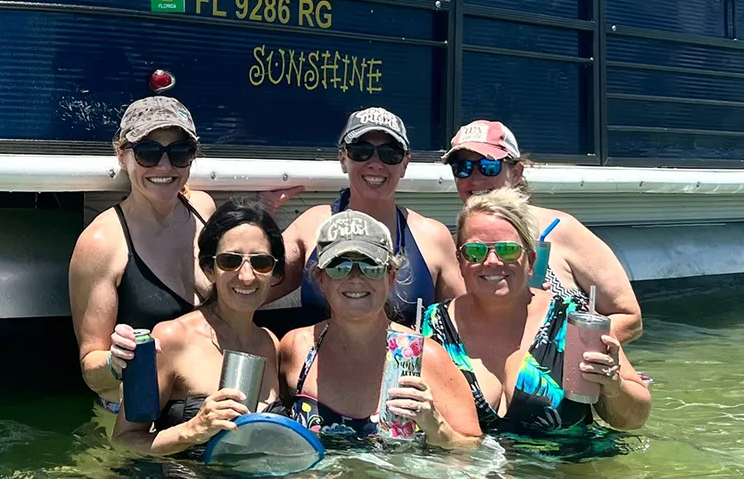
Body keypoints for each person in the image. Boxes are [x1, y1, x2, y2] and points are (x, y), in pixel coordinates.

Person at [421, 188, 652, 435]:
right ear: (460, 261)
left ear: (531, 260)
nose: (491, 261)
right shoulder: (433, 326)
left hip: (567, 468)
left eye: (508, 250)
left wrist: (613, 386)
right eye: (475, 251)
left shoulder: (572, 322)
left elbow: (634, 419)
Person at [68, 94, 217, 432]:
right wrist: (115, 360)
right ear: (122, 155)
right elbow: (92, 370)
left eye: (179, 153)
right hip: (134, 423)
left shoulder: (204, 212)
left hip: (204, 414)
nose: (164, 167)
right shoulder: (101, 244)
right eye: (148, 153)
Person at [278, 210, 483, 449]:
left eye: (371, 266)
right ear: (321, 278)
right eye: (339, 266)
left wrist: (435, 424)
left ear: (391, 277)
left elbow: (474, 450)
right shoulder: (295, 349)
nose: (355, 278)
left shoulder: (426, 357)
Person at [441, 120, 643, 344]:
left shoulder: (560, 229)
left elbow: (629, 317)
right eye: (462, 168)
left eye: (489, 166)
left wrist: (561, 351)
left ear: (516, 173)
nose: (475, 178)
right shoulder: (453, 248)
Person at [112, 196, 286, 456]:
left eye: (260, 262)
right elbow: (122, 442)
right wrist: (193, 429)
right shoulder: (172, 339)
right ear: (209, 269)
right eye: (230, 260)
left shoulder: (271, 344)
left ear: (275, 272)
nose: (247, 276)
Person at [269, 107, 465, 330]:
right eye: (361, 151)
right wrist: (256, 219)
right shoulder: (311, 225)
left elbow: (467, 318)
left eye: (390, 153)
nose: (375, 162)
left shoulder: (432, 236)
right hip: (323, 363)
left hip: (403, 363)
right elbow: (249, 285)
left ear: (405, 164)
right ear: (343, 159)